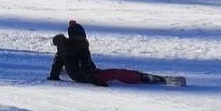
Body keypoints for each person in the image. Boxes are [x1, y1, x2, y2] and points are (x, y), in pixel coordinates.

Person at [48, 21, 176, 86]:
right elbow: (86, 68)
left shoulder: (63, 47)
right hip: (89, 76)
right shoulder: (81, 47)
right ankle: (149, 78)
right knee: (118, 73)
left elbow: (56, 64)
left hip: (75, 76)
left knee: (110, 72)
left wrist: (54, 76)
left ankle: (142, 76)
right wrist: (97, 82)